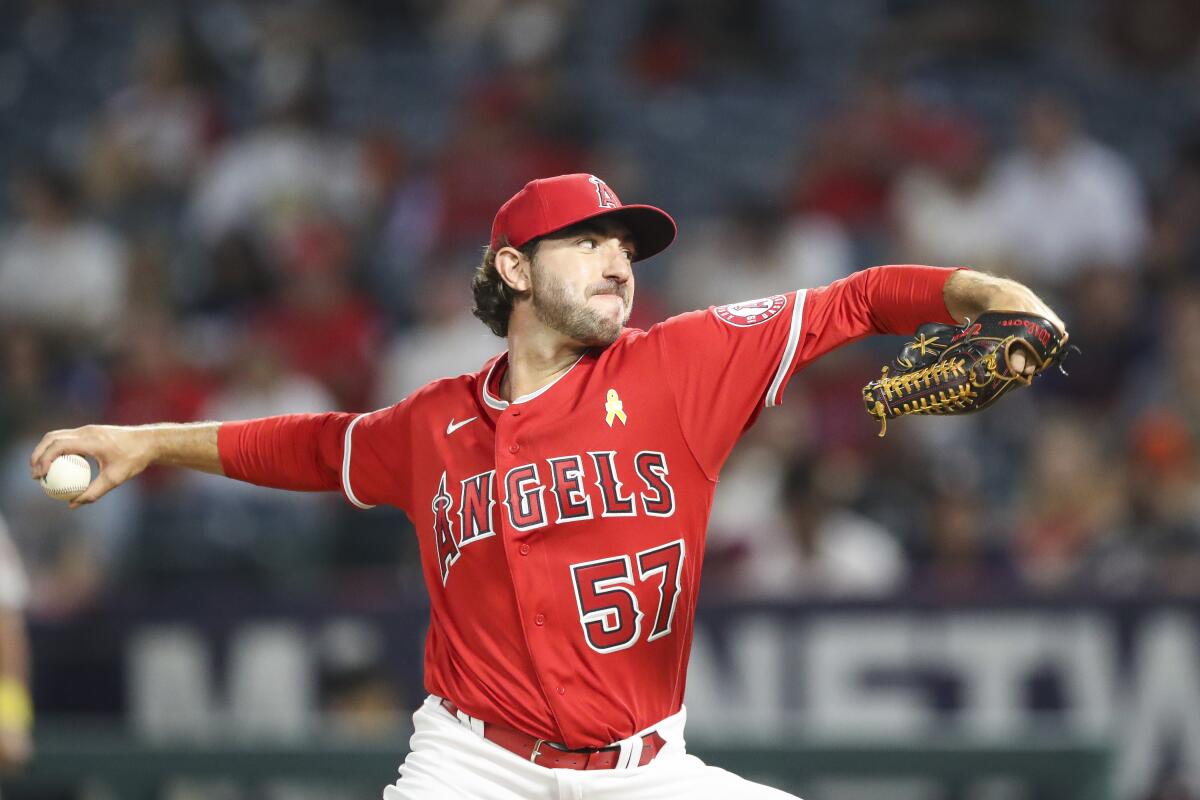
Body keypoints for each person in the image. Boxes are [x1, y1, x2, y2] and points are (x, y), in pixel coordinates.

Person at [30, 174, 1065, 799]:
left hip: (648, 770)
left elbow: (857, 299)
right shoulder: (430, 423)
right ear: (515, 270)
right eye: (590, 242)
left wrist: (992, 293)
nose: (620, 261)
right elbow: (311, 445)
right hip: (474, 766)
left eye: (629, 247)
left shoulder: (684, 365)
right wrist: (150, 439)